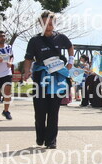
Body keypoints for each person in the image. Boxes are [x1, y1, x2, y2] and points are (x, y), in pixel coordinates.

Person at [23, 11, 74, 149]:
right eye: (45, 23)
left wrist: (70, 61)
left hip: (57, 77)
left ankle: (51, 141)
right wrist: (27, 71)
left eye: (51, 23)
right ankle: (40, 137)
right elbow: (28, 58)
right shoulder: (34, 40)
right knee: (40, 110)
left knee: (53, 110)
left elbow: (70, 47)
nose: (48, 25)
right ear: (40, 24)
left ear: (54, 23)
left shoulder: (61, 37)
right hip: (40, 76)